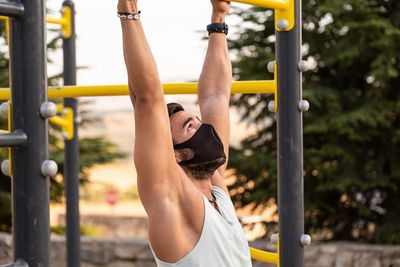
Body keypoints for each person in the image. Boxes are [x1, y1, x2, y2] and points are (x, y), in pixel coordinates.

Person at [118, 0, 252, 266]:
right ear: (175, 155)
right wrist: (128, 13)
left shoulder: (216, 188)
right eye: (190, 126)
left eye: (197, 121)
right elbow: (148, 97)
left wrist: (218, 20)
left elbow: (216, 95)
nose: (204, 127)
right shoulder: (170, 201)